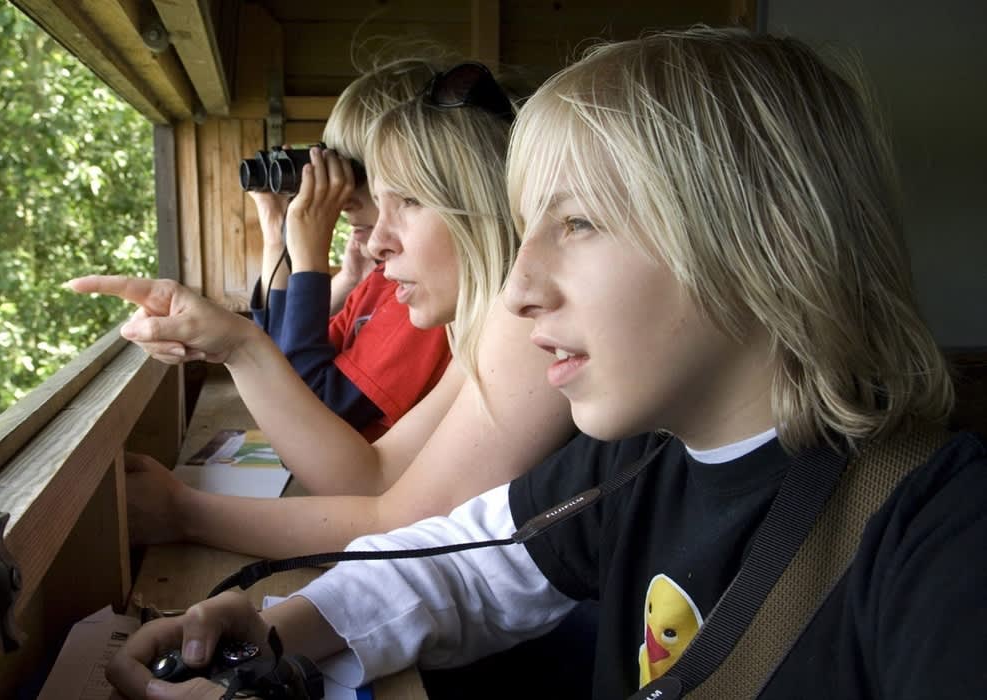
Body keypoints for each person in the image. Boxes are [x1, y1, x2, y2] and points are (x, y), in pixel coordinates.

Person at [105, 28, 986, 700]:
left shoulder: (942, 537)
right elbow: (467, 566)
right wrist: (274, 628)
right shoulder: (640, 457)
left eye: (579, 223)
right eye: (524, 229)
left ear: (764, 241)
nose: (519, 289)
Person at [69, 62, 577, 556]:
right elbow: (370, 478)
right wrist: (237, 344)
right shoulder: (483, 330)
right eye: (378, 202)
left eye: (409, 201)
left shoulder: (530, 325)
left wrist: (184, 512)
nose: (376, 243)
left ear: (482, 203)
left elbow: (398, 523)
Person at [247, 59, 454, 441]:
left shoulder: (424, 295)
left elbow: (310, 408)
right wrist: (278, 237)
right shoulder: (382, 279)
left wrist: (309, 258)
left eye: (355, 175)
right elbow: (276, 360)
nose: (344, 198)